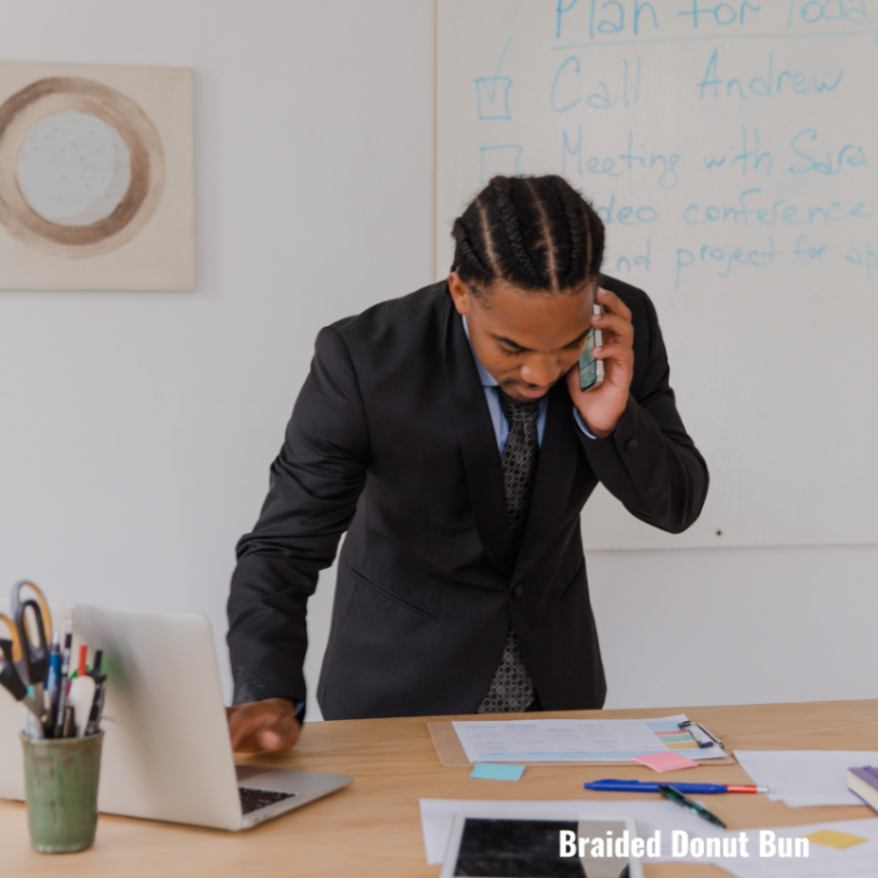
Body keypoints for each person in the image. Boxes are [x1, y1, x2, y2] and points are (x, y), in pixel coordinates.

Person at [226, 174, 708, 754]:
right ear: (460, 292)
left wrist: (611, 420)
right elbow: (284, 547)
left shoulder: (621, 329)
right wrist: (266, 688)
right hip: (396, 699)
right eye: (513, 348)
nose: (540, 373)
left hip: (556, 698)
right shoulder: (365, 360)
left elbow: (677, 506)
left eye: (566, 345)